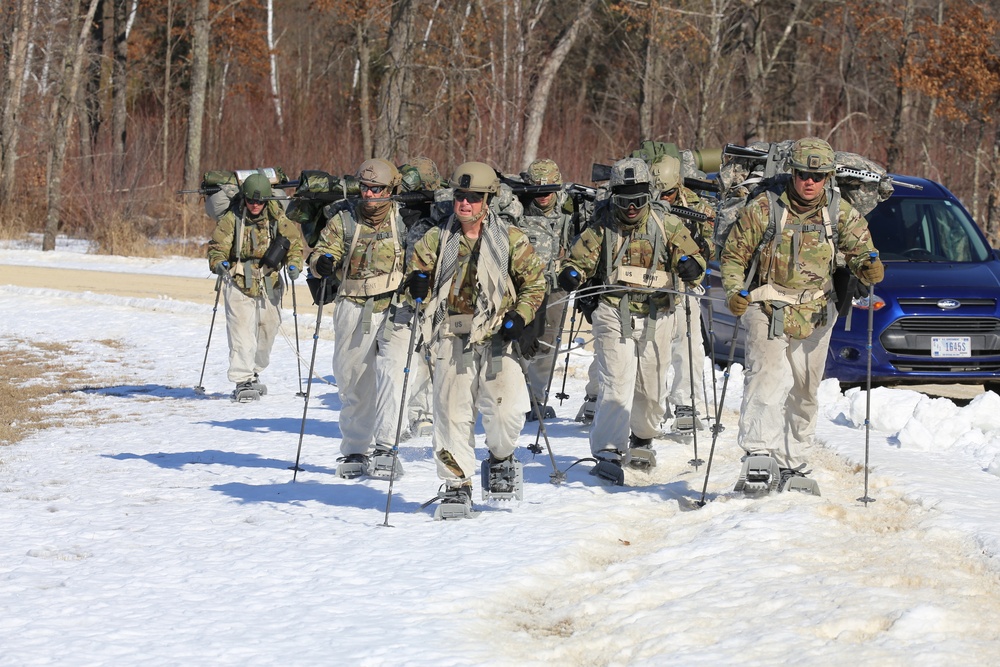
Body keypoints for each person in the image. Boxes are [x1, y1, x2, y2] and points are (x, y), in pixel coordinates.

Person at [720, 137, 883, 489]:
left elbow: (860, 247)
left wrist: (868, 265)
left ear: (828, 178)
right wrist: (735, 291)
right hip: (767, 306)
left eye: (818, 176)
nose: (810, 182)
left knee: (805, 390)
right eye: (804, 174)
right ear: (792, 173)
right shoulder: (764, 208)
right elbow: (734, 256)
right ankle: (759, 456)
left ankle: (793, 460)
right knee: (766, 378)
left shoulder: (839, 212)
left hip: (817, 312)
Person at [406, 161, 546, 515]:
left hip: (500, 336)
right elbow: (415, 280)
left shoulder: (511, 239)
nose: (464, 204)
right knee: (451, 414)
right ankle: (458, 483)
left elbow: (535, 284)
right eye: (460, 196)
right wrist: (416, 286)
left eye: (473, 198)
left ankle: (501, 456)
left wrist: (520, 316)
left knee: (508, 410)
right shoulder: (437, 238)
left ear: (488, 201)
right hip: (452, 336)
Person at [557, 157, 706, 484]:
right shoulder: (603, 226)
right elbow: (578, 259)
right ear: (614, 198)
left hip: (657, 314)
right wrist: (571, 274)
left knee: (651, 388)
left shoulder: (665, 223)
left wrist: (691, 266)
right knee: (617, 381)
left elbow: (695, 258)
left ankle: (642, 437)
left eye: (639, 201)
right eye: (624, 201)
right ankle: (608, 450)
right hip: (614, 311)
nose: (632, 209)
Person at [307, 158, 413, 479]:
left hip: (398, 305)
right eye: (365, 188)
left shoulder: (405, 219)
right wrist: (322, 263)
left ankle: (386, 448)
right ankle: (355, 449)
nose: (369, 195)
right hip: (353, 304)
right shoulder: (344, 220)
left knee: (394, 374)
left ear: (391, 190)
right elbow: (322, 252)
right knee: (353, 380)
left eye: (377, 189)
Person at [207, 173, 304, 402]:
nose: (255, 205)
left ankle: (254, 371)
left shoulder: (277, 216)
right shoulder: (233, 218)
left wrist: (294, 264)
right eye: (251, 201)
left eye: (260, 202)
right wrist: (218, 263)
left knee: (267, 330)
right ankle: (242, 380)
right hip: (238, 280)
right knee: (241, 332)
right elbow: (217, 246)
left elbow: (295, 243)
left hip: (269, 281)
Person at [649, 154, 715, 432]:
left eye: (669, 193)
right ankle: (649, 405)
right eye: (658, 194)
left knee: (689, 345)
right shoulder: (643, 200)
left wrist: (700, 247)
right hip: (650, 283)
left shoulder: (698, 206)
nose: (663, 199)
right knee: (651, 348)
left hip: (684, 285)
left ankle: (686, 403)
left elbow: (712, 242)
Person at [516, 158, 576, 420]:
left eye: (549, 190)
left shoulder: (569, 209)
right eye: (537, 191)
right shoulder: (518, 209)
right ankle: (515, 396)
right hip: (523, 287)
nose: (543, 197)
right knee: (518, 341)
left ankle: (536, 398)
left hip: (555, 287)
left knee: (547, 343)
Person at [398, 156, 446, 438]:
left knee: (429, 355)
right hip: (399, 291)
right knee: (401, 358)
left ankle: (422, 415)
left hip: (433, 291)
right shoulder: (398, 210)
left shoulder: (444, 206)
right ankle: (400, 416)